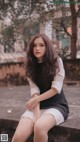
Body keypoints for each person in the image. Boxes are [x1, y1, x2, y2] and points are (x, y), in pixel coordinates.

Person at [12, 34, 69, 142]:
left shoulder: (56, 62)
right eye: (34, 46)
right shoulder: (30, 65)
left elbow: (56, 89)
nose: (37, 48)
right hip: (37, 106)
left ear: (47, 47)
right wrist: (37, 114)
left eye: (41, 45)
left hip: (56, 106)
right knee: (18, 138)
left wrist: (35, 100)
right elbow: (35, 91)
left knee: (39, 127)